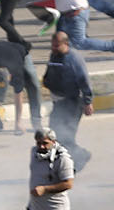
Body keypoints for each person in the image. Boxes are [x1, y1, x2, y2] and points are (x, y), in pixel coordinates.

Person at [40, 30, 94, 171]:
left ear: (66, 44)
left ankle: (80, 157)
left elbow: (84, 80)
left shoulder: (74, 58)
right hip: (58, 103)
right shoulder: (54, 55)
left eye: (57, 46)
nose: (54, 48)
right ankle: (64, 166)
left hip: (72, 104)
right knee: (53, 137)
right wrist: (47, 81)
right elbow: (50, 71)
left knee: (65, 138)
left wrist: (88, 102)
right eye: (52, 45)